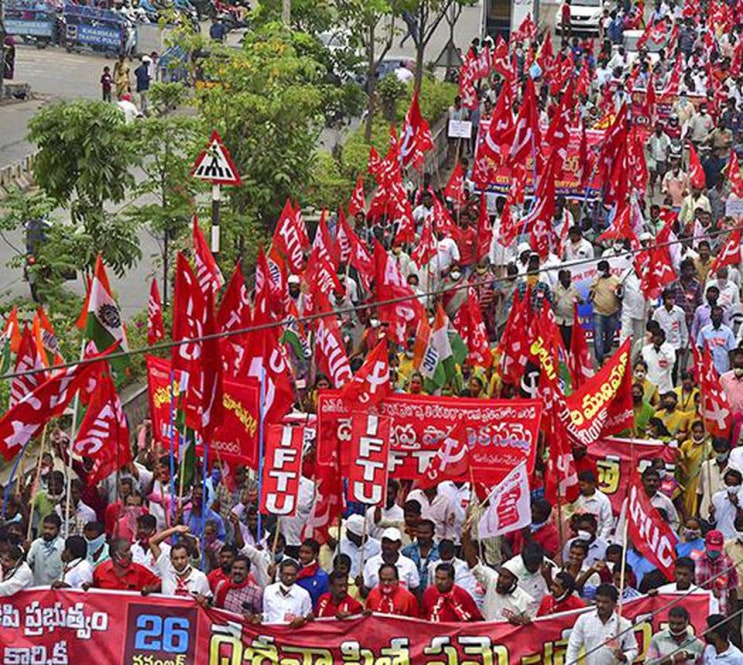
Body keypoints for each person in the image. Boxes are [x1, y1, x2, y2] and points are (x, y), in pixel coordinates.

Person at [462, 523, 537, 623]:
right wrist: (466, 538)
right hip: (485, 633)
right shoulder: (492, 580)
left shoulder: (525, 601)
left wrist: (521, 622)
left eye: (506, 578)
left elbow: (533, 624)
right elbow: (474, 565)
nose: (500, 580)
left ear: (514, 580)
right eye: (500, 575)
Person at [565, 584, 638, 664]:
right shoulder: (584, 619)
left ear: (614, 604)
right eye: (598, 601)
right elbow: (573, 647)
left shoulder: (624, 624)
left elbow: (633, 649)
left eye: (605, 602)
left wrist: (624, 657)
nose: (600, 605)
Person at [151, 525, 211, 599]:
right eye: (176, 558)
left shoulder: (200, 577)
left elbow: (209, 602)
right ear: (171, 560)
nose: (179, 562)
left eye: (182, 558)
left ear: (188, 558)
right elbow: (153, 542)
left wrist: (203, 601)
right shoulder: (165, 569)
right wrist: (175, 529)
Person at [361, 528, 420, 594]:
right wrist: (361, 586)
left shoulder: (409, 564)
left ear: (399, 544)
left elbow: (415, 591)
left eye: (391, 542)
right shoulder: (371, 563)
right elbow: (366, 592)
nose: (387, 545)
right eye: (384, 542)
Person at [695, 530, 739, 616]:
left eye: (716, 549)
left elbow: (732, 588)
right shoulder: (696, 561)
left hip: (721, 609)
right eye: (711, 548)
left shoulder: (728, 563)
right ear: (705, 544)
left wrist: (733, 611)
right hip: (699, 608)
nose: (713, 552)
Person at [91, 538, 159, 592]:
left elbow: (159, 583)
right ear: (115, 555)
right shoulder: (100, 570)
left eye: (130, 549)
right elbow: (94, 590)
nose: (131, 553)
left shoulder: (139, 570)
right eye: (126, 550)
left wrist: (151, 589)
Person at [588, 259, 622, 365]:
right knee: (598, 336)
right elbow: (591, 293)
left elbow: (620, 296)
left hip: (612, 312)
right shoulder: (596, 279)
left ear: (607, 270)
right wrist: (590, 296)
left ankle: (606, 353)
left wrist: (619, 292)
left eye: (601, 270)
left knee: (610, 337)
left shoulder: (616, 280)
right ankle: (600, 360)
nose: (599, 272)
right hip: (598, 312)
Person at [263, 559, 313, 626]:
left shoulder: (304, 594)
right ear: (280, 574)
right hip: (273, 631)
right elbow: (266, 613)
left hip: (293, 633)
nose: (289, 577)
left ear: (297, 575)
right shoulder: (269, 590)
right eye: (286, 574)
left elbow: (307, 616)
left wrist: (303, 618)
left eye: (293, 575)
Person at [571, 471, 614, 540]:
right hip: (576, 537)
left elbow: (607, 524)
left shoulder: (603, 500)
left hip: (596, 538)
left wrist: (600, 540)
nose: (580, 488)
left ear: (592, 485)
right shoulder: (576, 497)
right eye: (579, 485)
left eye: (583, 485)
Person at [26, 513, 64, 585]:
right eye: (45, 528)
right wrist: (26, 551)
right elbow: (28, 562)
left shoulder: (63, 546)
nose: (47, 531)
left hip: (56, 590)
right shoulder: (36, 544)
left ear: (58, 530)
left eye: (51, 529)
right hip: (39, 588)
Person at [296, 538, 329, 607]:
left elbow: (324, 600)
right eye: (301, 552)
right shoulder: (293, 570)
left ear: (315, 555)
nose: (303, 555)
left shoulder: (323, 577)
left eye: (307, 553)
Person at [642, 328, 676, 394]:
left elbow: (672, 360)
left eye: (659, 337)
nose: (657, 339)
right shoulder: (645, 349)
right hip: (650, 385)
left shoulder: (669, 348)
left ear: (664, 338)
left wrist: (662, 348)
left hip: (665, 387)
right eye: (655, 336)